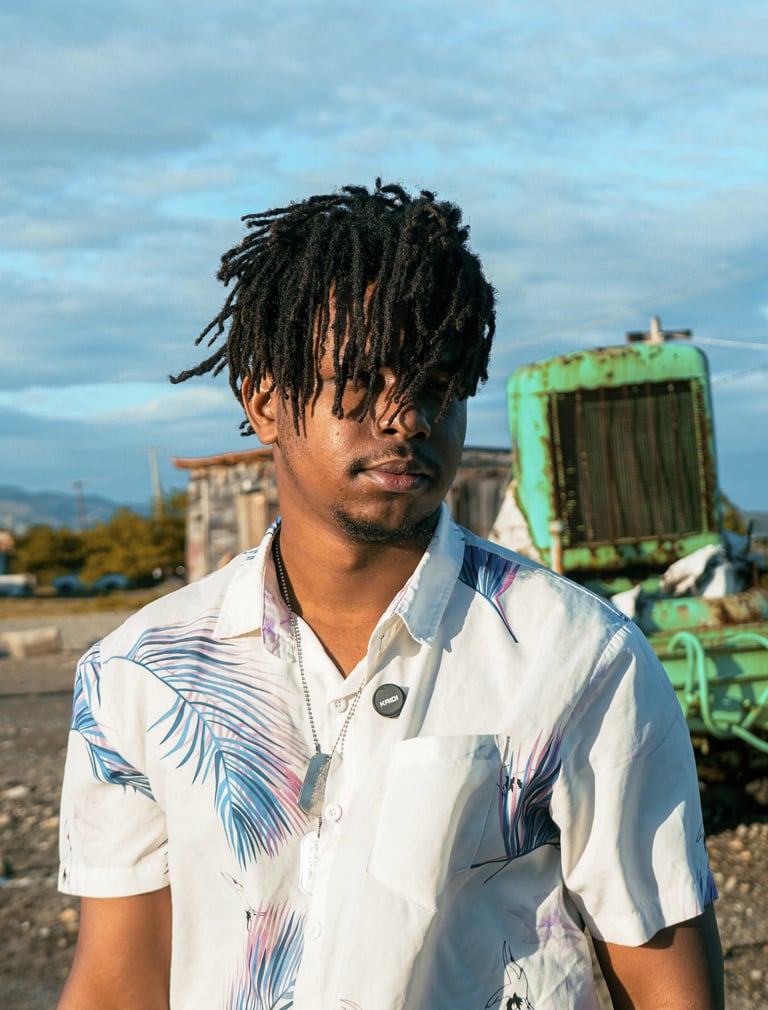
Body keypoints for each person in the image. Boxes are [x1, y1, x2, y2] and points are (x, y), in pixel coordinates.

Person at [57, 180, 723, 1010]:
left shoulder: (577, 657)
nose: (408, 416)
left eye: (439, 382)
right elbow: (118, 980)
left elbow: (664, 978)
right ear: (263, 402)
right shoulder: (140, 673)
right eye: (362, 380)